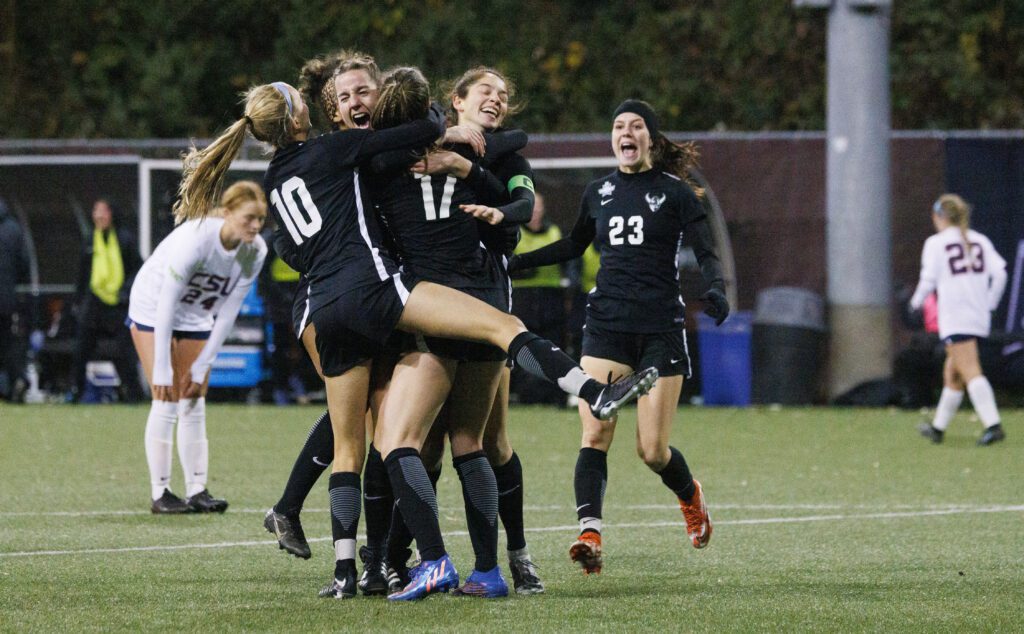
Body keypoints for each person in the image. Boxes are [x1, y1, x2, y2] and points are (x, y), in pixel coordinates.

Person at [176, 76, 656, 600]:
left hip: (340, 304)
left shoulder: (337, 166)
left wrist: (464, 157)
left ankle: (366, 563)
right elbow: (504, 185)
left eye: (367, 90)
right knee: (449, 436)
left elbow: (510, 198)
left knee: (374, 435)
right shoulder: (362, 154)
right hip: (402, 295)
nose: (357, 102)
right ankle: (467, 560)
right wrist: (458, 149)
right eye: (344, 96)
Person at [509, 99, 729, 574]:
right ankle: (590, 533)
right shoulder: (599, 191)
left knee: (651, 451)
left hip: (660, 331)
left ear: (650, 137)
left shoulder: (676, 194)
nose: (625, 132)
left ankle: (691, 496)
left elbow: (706, 252)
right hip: (607, 325)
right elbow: (573, 245)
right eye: (618, 126)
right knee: (594, 433)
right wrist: (518, 261)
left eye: (635, 126)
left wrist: (716, 288)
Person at [367, 65, 540, 598]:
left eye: (504, 94)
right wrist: (448, 143)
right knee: (464, 442)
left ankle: (424, 561)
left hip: (441, 304)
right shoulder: (422, 144)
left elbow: (520, 210)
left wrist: (460, 162)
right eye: (487, 90)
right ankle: (479, 569)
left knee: (401, 441)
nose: (497, 100)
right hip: (484, 302)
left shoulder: (393, 155)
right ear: (454, 100)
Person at [129, 181, 268, 513]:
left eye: (260, 219)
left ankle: (197, 489)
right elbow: (166, 302)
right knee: (166, 396)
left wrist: (205, 362)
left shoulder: (255, 251)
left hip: (195, 314)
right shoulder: (198, 239)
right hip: (153, 306)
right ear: (229, 212)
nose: (255, 226)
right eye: (249, 218)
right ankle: (160, 492)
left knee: (193, 399)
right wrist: (162, 367)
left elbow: (229, 310)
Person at [912, 194, 1008, 446]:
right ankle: (938, 428)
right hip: (976, 314)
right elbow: (1000, 273)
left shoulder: (936, 243)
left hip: (955, 315)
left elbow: (928, 279)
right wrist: (990, 304)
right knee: (953, 373)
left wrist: (915, 303)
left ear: (939, 217)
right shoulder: (980, 240)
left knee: (969, 369)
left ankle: (993, 424)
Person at [70, 199, 144, 403]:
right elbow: (82, 274)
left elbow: (137, 268)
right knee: (81, 350)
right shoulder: (89, 240)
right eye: (96, 211)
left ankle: (134, 394)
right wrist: (78, 301)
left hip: (118, 304)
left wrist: (125, 292)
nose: (99, 215)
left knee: (126, 351)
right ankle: (76, 391)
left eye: (103, 211)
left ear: (112, 214)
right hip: (93, 303)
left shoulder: (124, 239)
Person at [510, 191, 570, 405]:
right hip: (522, 299)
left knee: (553, 344)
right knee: (522, 346)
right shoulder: (516, 233)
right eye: (531, 207)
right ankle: (521, 393)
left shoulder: (554, 232)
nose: (535, 212)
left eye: (538, 207)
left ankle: (556, 394)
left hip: (550, 297)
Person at [0, 196, 31, 400]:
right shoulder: (13, 228)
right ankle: (16, 381)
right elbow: (24, 264)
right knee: (8, 342)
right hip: (6, 298)